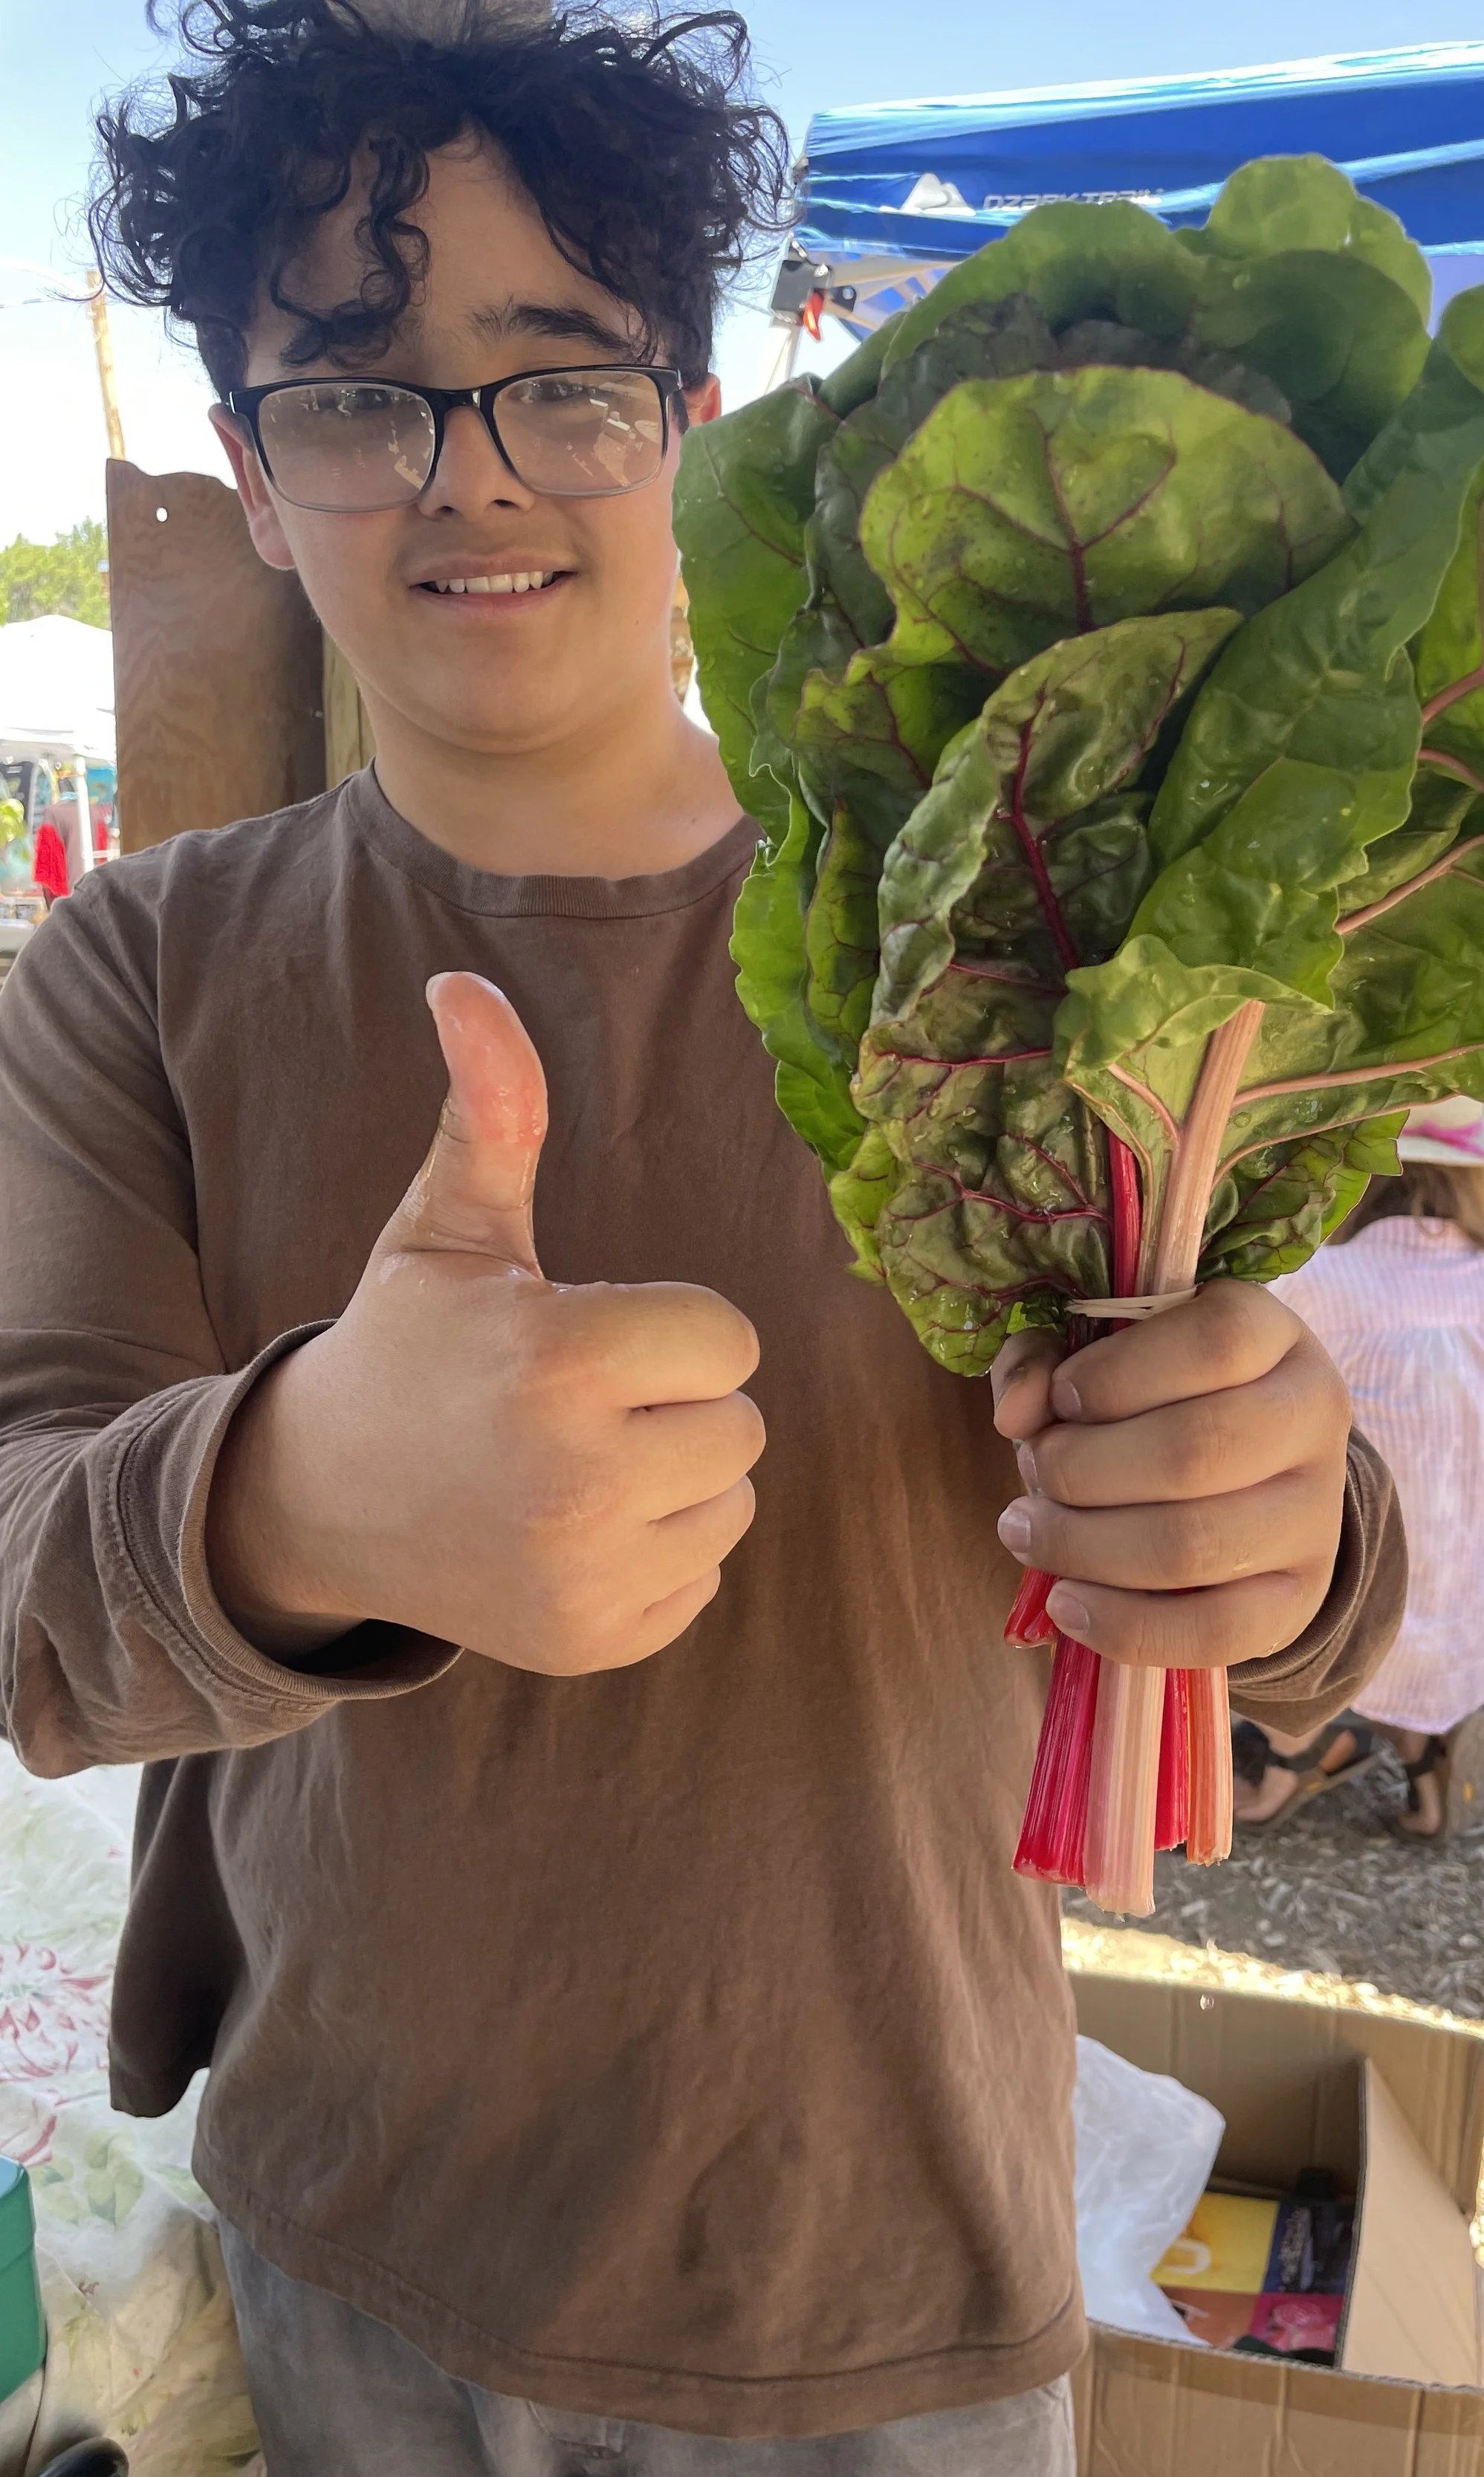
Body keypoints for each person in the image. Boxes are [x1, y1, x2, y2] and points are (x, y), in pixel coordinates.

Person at [0, 7, 1405, 2473]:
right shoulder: (137, 970)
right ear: (244, 465)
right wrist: (290, 1499)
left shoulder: (1001, 940)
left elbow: (1272, 1565)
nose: (470, 477)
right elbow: (25, 1587)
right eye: (351, 395)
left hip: (904, 2290)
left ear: (696, 403)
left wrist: (1291, 1539)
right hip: (358, 2267)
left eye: (564, 377)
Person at [1230, 1101, 1484, 1842]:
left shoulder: (1320, 1278)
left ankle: (1301, 1749)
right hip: (1483, 1542)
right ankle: (1427, 1750)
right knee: (1434, 1567)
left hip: (1366, 1558)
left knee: (1285, 1525)